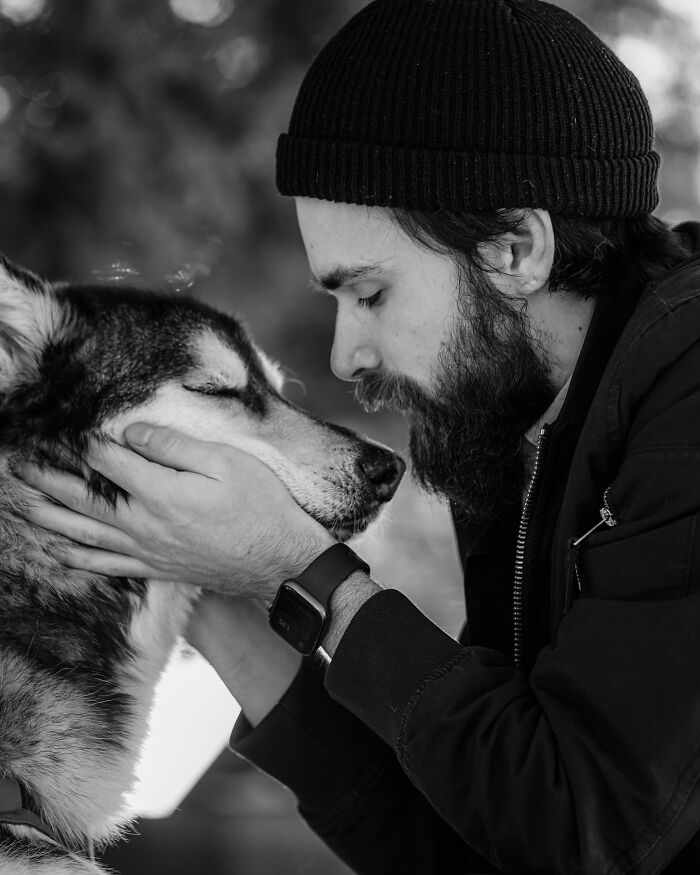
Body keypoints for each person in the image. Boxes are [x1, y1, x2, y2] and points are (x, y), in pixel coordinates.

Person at [15, 0, 700, 871]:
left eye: (370, 293)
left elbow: (583, 826)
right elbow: (467, 838)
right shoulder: (517, 422)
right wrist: (199, 571)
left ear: (517, 249)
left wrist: (302, 567)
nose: (345, 354)